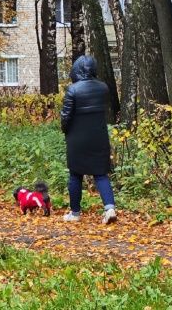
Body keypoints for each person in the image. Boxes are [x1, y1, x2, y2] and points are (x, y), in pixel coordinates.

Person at [60, 55, 117, 224]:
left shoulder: (73, 90)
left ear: (77, 69)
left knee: (75, 175)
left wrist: (66, 131)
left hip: (78, 139)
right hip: (99, 136)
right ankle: (110, 208)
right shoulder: (103, 88)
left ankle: (75, 213)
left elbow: (66, 116)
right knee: (101, 174)